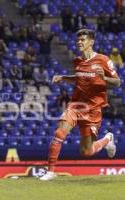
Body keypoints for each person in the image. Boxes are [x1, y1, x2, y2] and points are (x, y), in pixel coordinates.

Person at [40, 29, 121, 181]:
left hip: (93, 110)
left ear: (91, 42)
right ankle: (50, 171)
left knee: (86, 152)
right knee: (59, 133)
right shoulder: (77, 61)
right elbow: (79, 79)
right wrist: (63, 78)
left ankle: (107, 140)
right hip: (76, 106)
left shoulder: (103, 60)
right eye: (78, 40)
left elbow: (117, 82)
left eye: (83, 40)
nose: (79, 42)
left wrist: (104, 77)